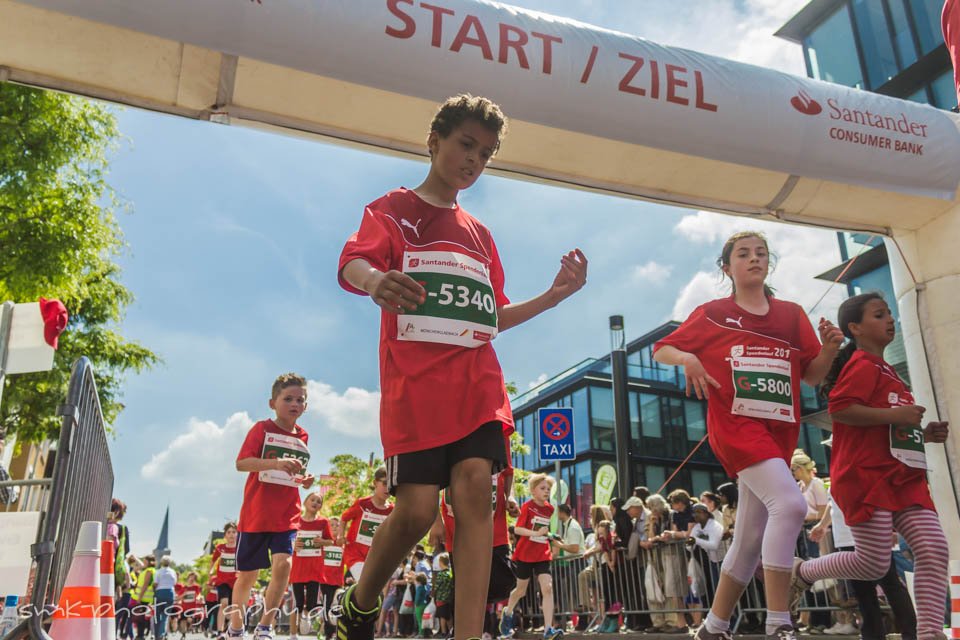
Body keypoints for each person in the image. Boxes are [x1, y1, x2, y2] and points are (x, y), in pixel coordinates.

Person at [335, 93, 588, 640]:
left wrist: (553, 296)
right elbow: (354, 261)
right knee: (417, 512)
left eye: (486, 153)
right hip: (415, 388)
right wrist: (375, 281)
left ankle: (469, 634)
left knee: (476, 489)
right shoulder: (393, 208)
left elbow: (493, 316)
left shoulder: (481, 235)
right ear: (435, 141)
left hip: (478, 385)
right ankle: (357, 604)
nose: (474, 159)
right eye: (466, 144)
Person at [654, 230, 843, 640]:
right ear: (728, 268)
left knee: (750, 538)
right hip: (736, 426)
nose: (754, 259)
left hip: (779, 432)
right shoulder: (713, 312)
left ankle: (713, 626)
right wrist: (687, 357)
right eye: (744, 254)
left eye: (761, 253)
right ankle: (779, 623)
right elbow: (661, 349)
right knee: (791, 506)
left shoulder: (792, 315)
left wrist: (828, 349)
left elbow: (811, 376)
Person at [791, 292, 950, 640]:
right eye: (879, 315)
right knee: (873, 564)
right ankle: (803, 572)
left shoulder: (888, 371)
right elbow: (841, 410)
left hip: (903, 478)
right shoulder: (861, 365)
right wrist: (898, 415)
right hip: (867, 476)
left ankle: (929, 634)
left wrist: (923, 434)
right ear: (856, 328)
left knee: (934, 549)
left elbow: (887, 427)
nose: (890, 319)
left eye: (889, 313)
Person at [227, 373, 315, 640]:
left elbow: (293, 474)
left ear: (306, 406)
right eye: (288, 398)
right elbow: (242, 463)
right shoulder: (261, 429)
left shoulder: (303, 435)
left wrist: (305, 480)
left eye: (300, 400)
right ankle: (236, 627)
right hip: (256, 514)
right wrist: (275, 463)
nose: (294, 404)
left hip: (287, 514)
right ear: (272, 403)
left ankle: (265, 627)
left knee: (284, 565)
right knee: (247, 577)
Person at [500, 474, 562, 640]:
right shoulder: (527, 506)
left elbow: (543, 529)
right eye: (542, 488)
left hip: (542, 552)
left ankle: (548, 629)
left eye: (548, 489)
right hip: (525, 553)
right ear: (533, 491)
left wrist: (550, 535)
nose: (546, 491)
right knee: (520, 590)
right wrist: (536, 533)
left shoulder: (550, 508)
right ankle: (508, 612)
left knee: (547, 588)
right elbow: (518, 530)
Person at [290, 491, 335, 640]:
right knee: (297, 602)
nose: (315, 503)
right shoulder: (295, 521)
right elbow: (287, 542)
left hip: (315, 569)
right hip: (298, 569)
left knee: (311, 603)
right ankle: (293, 634)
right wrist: (293, 545)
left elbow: (330, 541)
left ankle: (306, 615)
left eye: (319, 501)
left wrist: (322, 542)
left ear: (320, 506)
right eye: (313, 499)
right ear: (305, 502)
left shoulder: (323, 522)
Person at [338, 467, 394, 582]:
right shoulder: (362, 504)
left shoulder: (392, 510)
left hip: (375, 557)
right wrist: (340, 536)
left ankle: (345, 597)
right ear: (375, 483)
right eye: (384, 483)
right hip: (355, 554)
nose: (388, 488)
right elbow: (344, 518)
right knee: (365, 581)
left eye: (391, 485)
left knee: (371, 589)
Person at [212, 522, 239, 639]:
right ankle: (220, 632)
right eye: (229, 532)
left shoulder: (240, 548)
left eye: (234, 532)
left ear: (237, 534)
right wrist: (210, 572)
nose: (231, 535)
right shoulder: (220, 548)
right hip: (222, 581)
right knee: (224, 604)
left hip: (236, 581)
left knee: (233, 607)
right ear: (225, 535)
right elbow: (213, 561)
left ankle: (231, 629)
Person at [154, 557, 178, 640]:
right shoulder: (173, 572)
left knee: (157, 615)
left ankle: (157, 635)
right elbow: (174, 583)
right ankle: (161, 633)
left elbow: (155, 583)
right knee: (165, 615)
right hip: (170, 593)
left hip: (160, 593)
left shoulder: (158, 572)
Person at [434, 553, 454, 638]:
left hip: (440, 598)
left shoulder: (440, 574)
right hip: (449, 598)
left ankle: (443, 632)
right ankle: (451, 631)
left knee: (442, 616)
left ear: (441, 562)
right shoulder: (450, 573)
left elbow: (436, 587)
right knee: (449, 616)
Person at [178, 571, 204, 638]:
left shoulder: (196, 587)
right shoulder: (184, 587)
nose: (192, 579)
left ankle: (189, 626)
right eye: (191, 577)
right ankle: (183, 634)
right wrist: (184, 594)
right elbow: (179, 597)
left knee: (189, 619)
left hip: (192, 607)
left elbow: (199, 595)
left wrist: (198, 598)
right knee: (183, 621)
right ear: (188, 578)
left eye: (193, 578)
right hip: (184, 607)